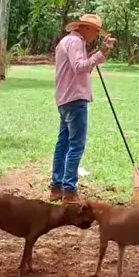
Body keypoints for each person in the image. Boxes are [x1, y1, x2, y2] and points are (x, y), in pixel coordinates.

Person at [50, 14, 116, 203]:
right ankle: (69, 190)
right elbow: (80, 67)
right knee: (76, 145)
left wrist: (101, 52)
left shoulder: (67, 41)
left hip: (64, 98)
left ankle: (57, 187)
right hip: (75, 98)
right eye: (95, 32)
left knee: (63, 144)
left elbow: (82, 67)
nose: (95, 36)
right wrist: (100, 53)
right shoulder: (76, 42)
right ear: (85, 28)